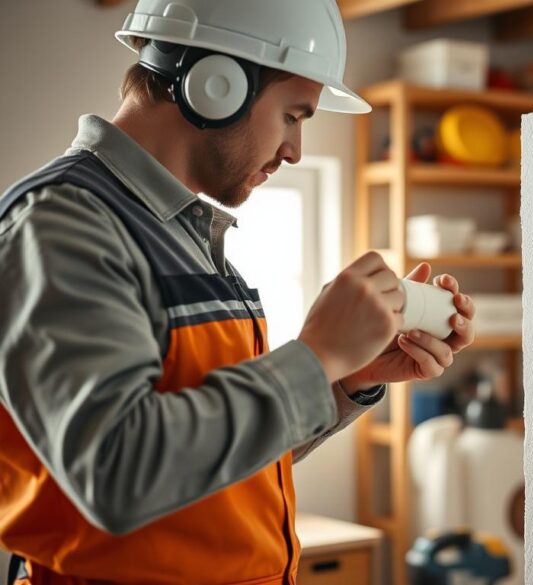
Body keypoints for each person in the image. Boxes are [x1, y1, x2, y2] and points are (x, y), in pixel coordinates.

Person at [0, 1, 476, 583]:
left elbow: (218, 456)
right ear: (215, 85)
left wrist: (347, 378)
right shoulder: (65, 224)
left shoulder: (180, 232)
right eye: (294, 116)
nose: (296, 150)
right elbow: (116, 471)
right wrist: (315, 356)